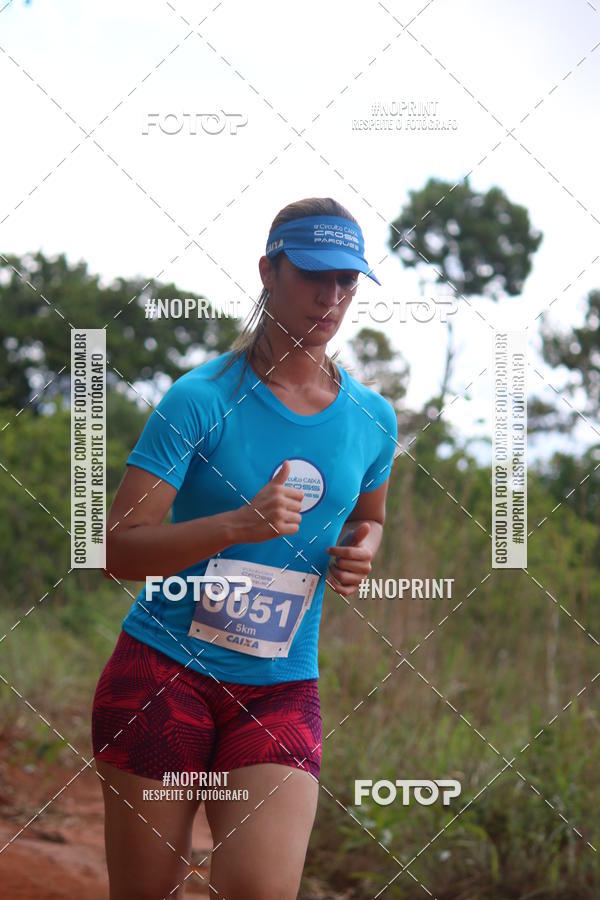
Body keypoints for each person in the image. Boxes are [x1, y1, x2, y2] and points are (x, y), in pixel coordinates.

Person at [92, 196, 398, 900]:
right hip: (161, 676)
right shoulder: (199, 399)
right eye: (314, 276)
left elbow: (370, 517)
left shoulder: (372, 420)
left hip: (281, 687)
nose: (331, 297)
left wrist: (364, 547)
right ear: (268, 270)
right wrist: (237, 525)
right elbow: (116, 551)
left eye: (348, 282)